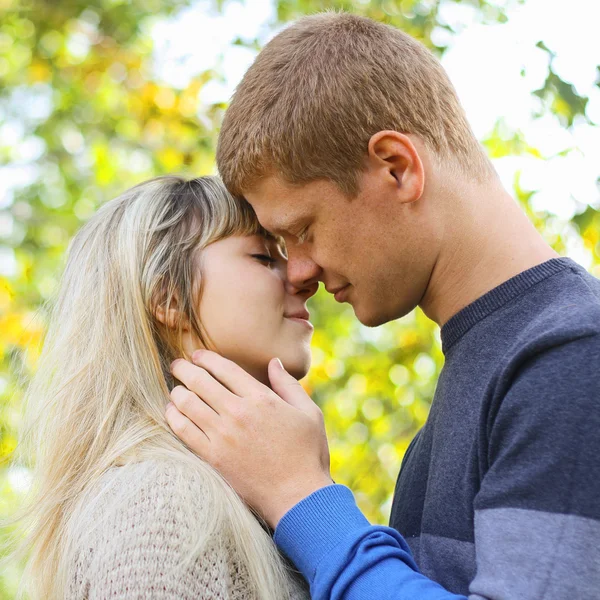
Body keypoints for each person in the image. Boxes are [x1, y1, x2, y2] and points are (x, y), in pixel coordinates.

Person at [164, 12, 600, 600]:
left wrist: (299, 495)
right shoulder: (489, 362)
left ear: (397, 167)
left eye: (304, 230)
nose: (299, 272)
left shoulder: (570, 356)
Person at [2, 176, 313, 599]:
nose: (302, 275)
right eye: (263, 256)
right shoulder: (160, 507)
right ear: (169, 298)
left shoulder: (224, 496)